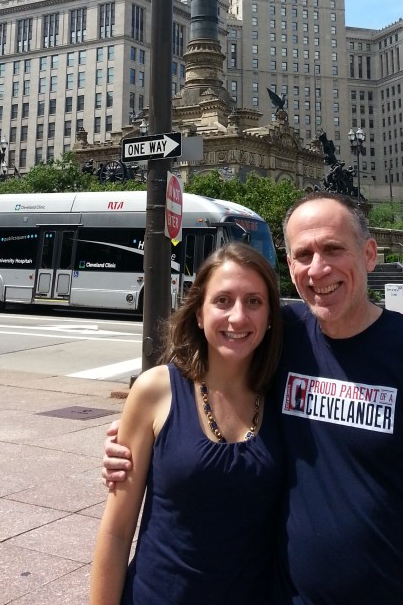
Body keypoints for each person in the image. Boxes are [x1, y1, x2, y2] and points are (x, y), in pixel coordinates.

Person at [103, 193, 403, 605]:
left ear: (369, 253)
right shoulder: (280, 337)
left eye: (332, 249)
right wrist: (134, 439)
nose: (318, 268)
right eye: (303, 254)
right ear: (289, 267)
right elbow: (205, 377)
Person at [90, 243, 283, 605]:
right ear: (198, 313)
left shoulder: (284, 396)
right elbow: (117, 532)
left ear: (271, 315)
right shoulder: (156, 390)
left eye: (254, 302)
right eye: (222, 300)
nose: (238, 317)